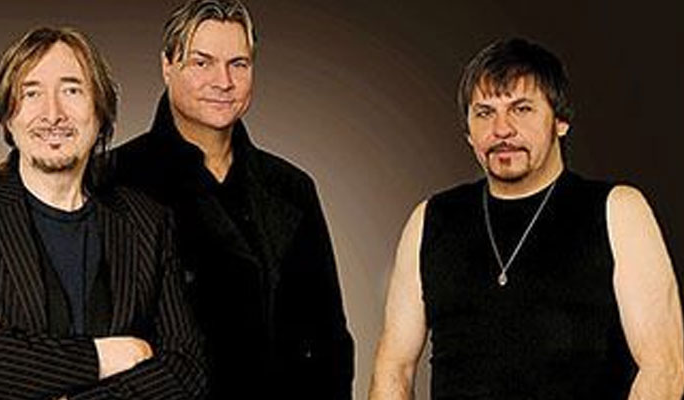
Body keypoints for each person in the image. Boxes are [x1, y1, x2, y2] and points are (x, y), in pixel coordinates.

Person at [370, 37, 684, 399]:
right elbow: (393, 369)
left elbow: (664, 368)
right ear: (468, 133)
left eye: (521, 109)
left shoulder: (618, 210)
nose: (502, 129)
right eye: (484, 113)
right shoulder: (430, 219)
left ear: (560, 121)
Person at [0, 26, 207, 399]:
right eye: (31, 93)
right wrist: (114, 354)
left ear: (100, 111)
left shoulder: (147, 222)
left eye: (72, 91)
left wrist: (17, 352)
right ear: (7, 116)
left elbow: (186, 373)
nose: (52, 114)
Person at [111, 0, 354, 397]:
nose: (223, 81)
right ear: (167, 65)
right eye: (202, 62)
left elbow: (330, 340)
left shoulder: (291, 187)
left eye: (238, 64)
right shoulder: (114, 180)